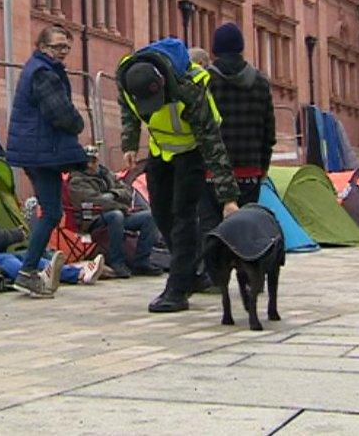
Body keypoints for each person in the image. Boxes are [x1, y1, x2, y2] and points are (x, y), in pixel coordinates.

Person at [118, 37, 239, 313]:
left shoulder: (189, 89)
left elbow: (213, 145)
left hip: (192, 151)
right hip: (160, 151)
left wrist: (228, 198)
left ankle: (177, 290)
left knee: (183, 217)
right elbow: (128, 111)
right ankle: (194, 272)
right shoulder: (125, 76)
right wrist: (129, 143)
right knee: (161, 214)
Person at [5, 25, 89, 297]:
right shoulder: (44, 73)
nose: (62, 51)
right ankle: (28, 270)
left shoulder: (39, 68)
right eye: (57, 47)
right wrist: (79, 123)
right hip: (42, 153)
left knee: (50, 210)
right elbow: (60, 112)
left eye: (66, 46)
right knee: (51, 211)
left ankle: (31, 268)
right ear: (43, 47)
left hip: (38, 152)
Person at [0, 171, 103, 290]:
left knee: (29, 258)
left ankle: (80, 273)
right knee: (14, 262)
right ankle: (38, 277)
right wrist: (17, 234)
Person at [199, 23, 276, 242]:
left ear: (215, 49)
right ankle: (247, 274)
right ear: (241, 47)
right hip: (249, 171)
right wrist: (263, 166)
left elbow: (200, 127)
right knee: (245, 235)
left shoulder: (206, 81)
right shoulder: (260, 82)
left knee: (211, 233)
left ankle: (213, 274)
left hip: (211, 173)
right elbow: (268, 131)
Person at [68, 145, 162, 278]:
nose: (90, 164)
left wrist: (113, 195)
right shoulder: (76, 181)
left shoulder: (107, 174)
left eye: (93, 160)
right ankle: (117, 262)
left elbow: (128, 191)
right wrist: (120, 204)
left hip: (118, 213)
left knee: (149, 216)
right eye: (87, 161)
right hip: (92, 219)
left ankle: (141, 262)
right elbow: (95, 201)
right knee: (116, 216)